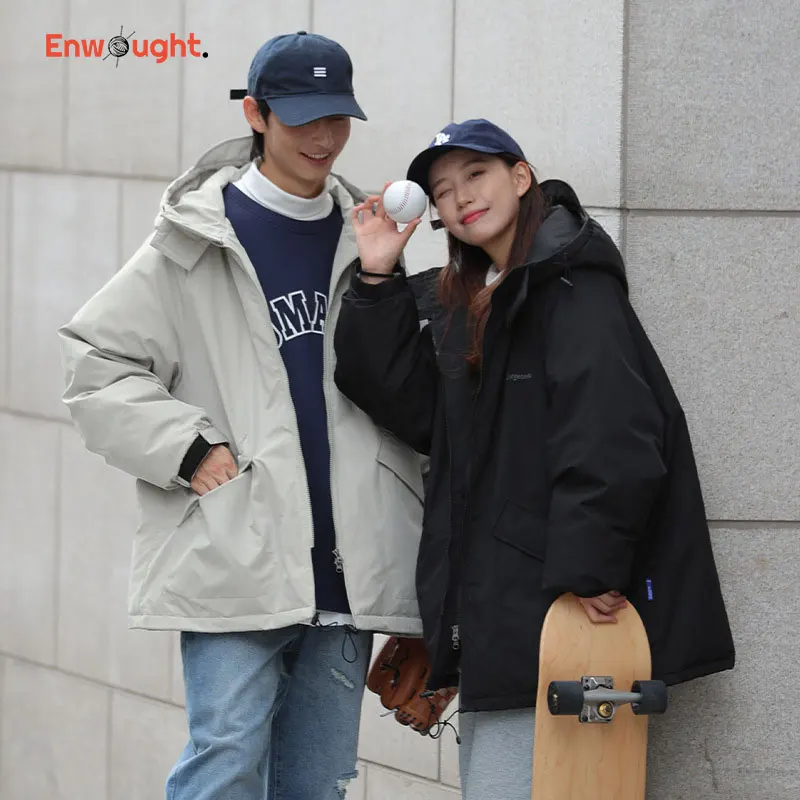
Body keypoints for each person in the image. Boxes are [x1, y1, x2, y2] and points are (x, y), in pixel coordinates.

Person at [59, 32, 426, 800]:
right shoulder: (194, 239)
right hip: (239, 553)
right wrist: (191, 451)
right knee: (224, 763)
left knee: (316, 785)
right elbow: (95, 365)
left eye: (337, 118)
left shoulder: (364, 240)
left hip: (348, 569)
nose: (323, 137)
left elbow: (406, 396)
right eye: (302, 118)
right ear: (256, 114)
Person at [333, 118, 736, 800]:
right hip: (501, 605)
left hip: (555, 609)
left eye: (477, 175)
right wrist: (377, 275)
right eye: (443, 190)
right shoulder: (475, 297)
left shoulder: (570, 285)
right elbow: (412, 408)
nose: (462, 196)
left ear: (521, 178)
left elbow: (615, 432)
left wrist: (590, 565)